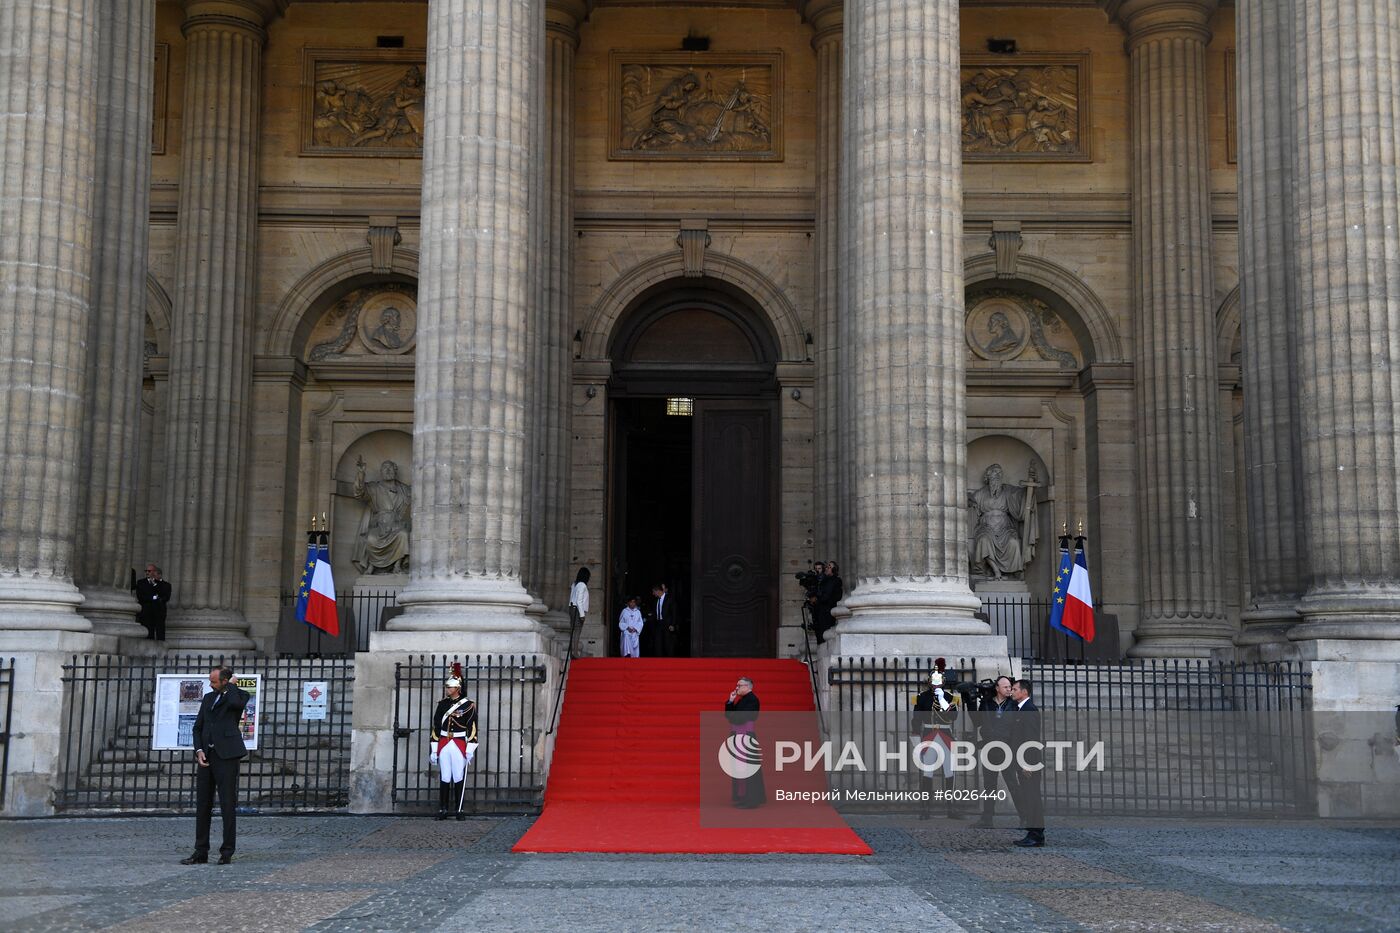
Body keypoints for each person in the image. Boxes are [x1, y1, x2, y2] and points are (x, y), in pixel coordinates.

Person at [182, 667, 249, 864]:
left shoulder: (237, 695)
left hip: (226, 756)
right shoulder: (209, 698)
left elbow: (237, 703)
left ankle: (227, 851)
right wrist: (199, 750)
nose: (210, 685)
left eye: (214, 681)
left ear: (226, 681)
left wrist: (233, 686)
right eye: (210, 681)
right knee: (203, 804)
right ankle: (200, 850)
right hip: (207, 756)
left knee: (227, 804)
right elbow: (197, 727)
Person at [911, 658, 963, 820]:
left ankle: (951, 807)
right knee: (927, 773)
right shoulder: (921, 697)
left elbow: (953, 716)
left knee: (949, 772)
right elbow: (916, 719)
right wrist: (915, 737)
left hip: (946, 735)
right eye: (933, 680)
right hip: (928, 735)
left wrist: (942, 700)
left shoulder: (949, 697)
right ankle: (925, 807)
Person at [429, 663, 478, 821]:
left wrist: (470, 748)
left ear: (457, 688)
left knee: (458, 776)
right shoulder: (442, 704)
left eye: (450, 687)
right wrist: (434, 748)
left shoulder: (468, 705)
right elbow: (436, 725)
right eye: (447, 686)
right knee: (445, 776)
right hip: (444, 742)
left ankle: (459, 809)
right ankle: (442, 809)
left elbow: (472, 727)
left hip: (458, 743)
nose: (447, 689)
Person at [1005, 678, 1045, 847]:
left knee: (1032, 798)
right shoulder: (1020, 709)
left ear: (1024, 692)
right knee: (1029, 798)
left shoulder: (1029, 710)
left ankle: (1036, 835)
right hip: (1022, 762)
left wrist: (1027, 764)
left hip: (1029, 763)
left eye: (1014, 689)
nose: (1011, 692)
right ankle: (1033, 832)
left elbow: (1031, 740)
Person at [972, 675, 1015, 827]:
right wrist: (972, 703)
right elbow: (977, 721)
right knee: (989, 785)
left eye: (1010, 687)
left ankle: (1025, 816)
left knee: (1012, 783)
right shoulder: (987, 703)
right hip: (990, 748)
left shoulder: (1013, 704)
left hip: (1006, 749)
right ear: (997, 688)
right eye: (1006, 687)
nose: (1009, 689)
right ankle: (987, 818)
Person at [724, 676, 765, 808]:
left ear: (747, 687)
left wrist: (733, 717)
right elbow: (729, 716)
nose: (736, 688)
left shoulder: (752, 700)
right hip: (738, 735)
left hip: (745, 736)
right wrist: (730, 701)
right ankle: (745, 796)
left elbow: (739, 718)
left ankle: (751, 799)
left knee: (748, 767)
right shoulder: (742, 700)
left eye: (739, 685)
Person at [133, 563, 172, 641]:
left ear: (154, 572)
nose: (147, 572)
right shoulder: (141, 582)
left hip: (158, 611)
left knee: (160, 632)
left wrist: (154, 584)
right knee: (147, 632)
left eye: (149, 571)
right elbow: (140, 596)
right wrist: (153, 598)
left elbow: (164, 596)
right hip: (146, 610)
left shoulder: (161, 584)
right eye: (146, 571)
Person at [652, 582, 680, 657]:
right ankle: (659, 662)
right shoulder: (655, 601)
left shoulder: (669, 599)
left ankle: (670, 662)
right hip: (658, 624)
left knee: (668, 644)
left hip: (667, 625)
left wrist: (673, 624)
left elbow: (674, 613)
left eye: (653, 591)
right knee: (658, 644)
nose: (653, 594)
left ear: (658, 591)